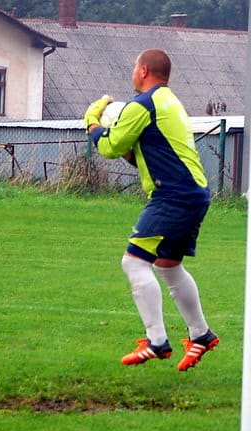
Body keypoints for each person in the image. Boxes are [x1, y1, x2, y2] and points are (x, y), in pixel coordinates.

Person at [83, 48, 218, 371]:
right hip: (193, 192)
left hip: (174, 195)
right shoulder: (169, 101)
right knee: (168, 266)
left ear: (144, 70)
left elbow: (110, 146)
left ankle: (156, 340)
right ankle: (200, 335)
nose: (132, 72)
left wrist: (91, 121)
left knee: (133, 263)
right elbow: (143, 152)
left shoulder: (142, 105)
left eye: (134, 66)